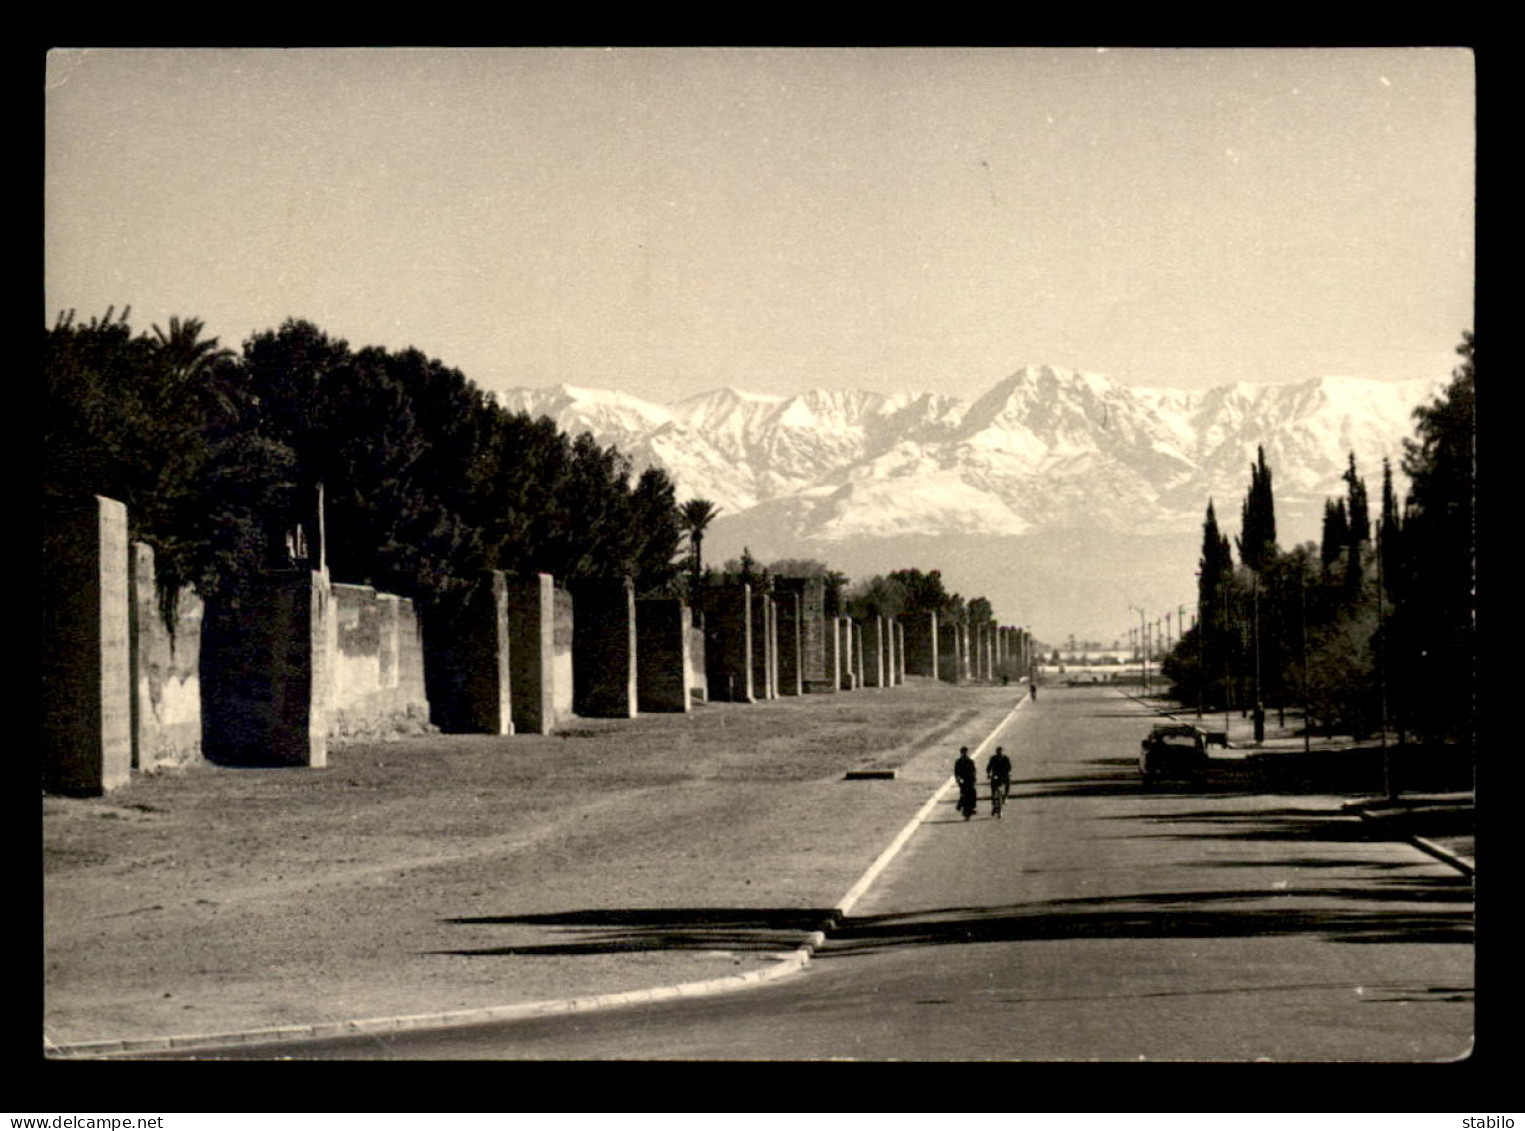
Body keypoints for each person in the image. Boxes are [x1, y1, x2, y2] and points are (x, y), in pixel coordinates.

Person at [986, 745, 1012, 815]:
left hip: (1003, 775)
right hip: (996, 776)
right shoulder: (993, 758)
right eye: (998, 751)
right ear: (996, 752)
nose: (999, 753)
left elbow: (1009, 767)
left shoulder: (1005, 758)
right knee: (993, 790)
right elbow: (989, 767)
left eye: (1001, 751)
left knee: (1008, 782)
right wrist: (989, 774)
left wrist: (1009, 773)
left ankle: (1006, 796)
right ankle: (994, 805)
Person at [953, 746, 978, 818]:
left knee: (973, 792)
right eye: (963, 752)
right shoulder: (958, 762)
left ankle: (973, 807)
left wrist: (974, 778)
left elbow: (974, 771)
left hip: (969, 780)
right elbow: (956, 772)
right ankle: (960, 805)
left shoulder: (970, 761)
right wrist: (958, 779)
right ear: (961, 753)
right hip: (962, 780)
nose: (964, 753)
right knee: (963, 793)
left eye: (965, 752)